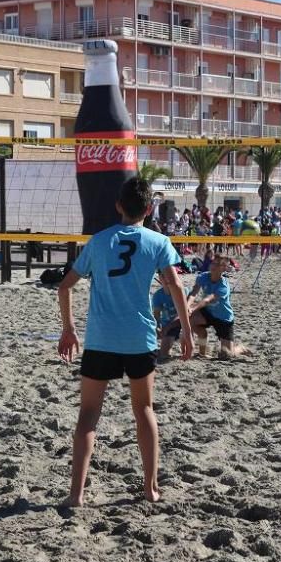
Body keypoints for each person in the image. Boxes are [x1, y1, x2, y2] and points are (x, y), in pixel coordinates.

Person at [57, 177, 193, 507]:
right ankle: (150, 488)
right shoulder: (158, 241)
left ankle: (76, 495)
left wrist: (69, 328)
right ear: (149, 208)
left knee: (88, 414)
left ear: (118, 206)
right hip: (138, 337)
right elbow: (175, 286)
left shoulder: (99, 241)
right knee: (144, 410)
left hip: (101, 338)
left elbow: (65, 287)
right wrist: (186, 330)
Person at [188, 254, 243, 359]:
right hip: (208, 313)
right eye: (213, 262)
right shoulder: (202, 276)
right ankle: (202, 353)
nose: (214, 265)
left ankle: (240, 348)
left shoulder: (223, 286)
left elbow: (207, 300)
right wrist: (187, 306)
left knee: (226, 355)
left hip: (223, 318)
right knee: (191, 320)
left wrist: (192, 308)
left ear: (224, 268)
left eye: (218, 264)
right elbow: (193, 293)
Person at [151, 275, 181, 361]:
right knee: (164, 354)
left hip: (181, 322)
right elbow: (157, 314)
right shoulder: (157, 295)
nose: (167, 279)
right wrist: (158, 326)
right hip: (167, 323)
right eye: (164, 277)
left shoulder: (181, 291)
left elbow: (183, 314)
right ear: (160, 278)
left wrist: (167, 328)